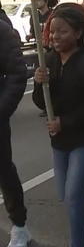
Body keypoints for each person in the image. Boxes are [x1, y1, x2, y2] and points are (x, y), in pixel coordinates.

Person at [32, 8, 84, 247]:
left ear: (78, 33)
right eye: (52, 31)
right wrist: (40, 84)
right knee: (65, 195)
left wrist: (65, 122)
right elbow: (41, 102)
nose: (55, 36)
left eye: (62, 31)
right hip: (61, 140)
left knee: (73, 196)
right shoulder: (49, 60)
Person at [0, 19, 31, 247]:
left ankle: (20, 226)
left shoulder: (2, 31)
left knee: (4, 171)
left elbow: (18, 75)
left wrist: (1, 111)